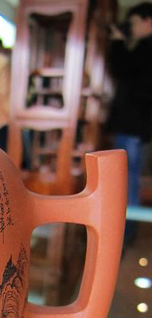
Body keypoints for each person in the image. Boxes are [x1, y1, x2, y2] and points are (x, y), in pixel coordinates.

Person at [106, 2, 152, 243]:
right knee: (129, 176)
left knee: (127, 177)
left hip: (133, 124)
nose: (131, 27)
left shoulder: (147, 48)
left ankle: (125, 232)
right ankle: (127, 230)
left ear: (148, 21)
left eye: (133, 22)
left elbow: (121, 68)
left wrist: (116, 42)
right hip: (137, 125)